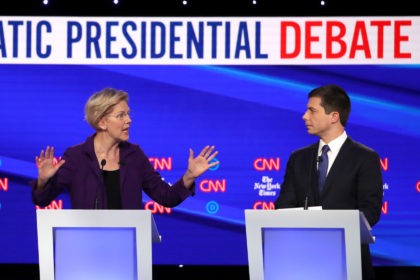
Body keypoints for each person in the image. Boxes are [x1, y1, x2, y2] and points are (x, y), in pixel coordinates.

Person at [32, 87, 219, 209]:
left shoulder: (134, 155)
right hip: (85, 246)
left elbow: (166, 197)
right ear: (103, 122)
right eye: (121, 115)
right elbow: (41, 200)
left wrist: (189, 176)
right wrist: (42, 181)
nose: (128, 120)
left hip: (128, 247)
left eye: (128, 114)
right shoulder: (76, 157)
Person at [274, 84, 383, 280]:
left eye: (312, 110)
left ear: (334, 116)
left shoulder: (365, 157)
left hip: (349, 263)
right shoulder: (298, 158)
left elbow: (370, 211)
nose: (304, 116)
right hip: (301, 262)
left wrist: (330, 231)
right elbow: (284, 205)